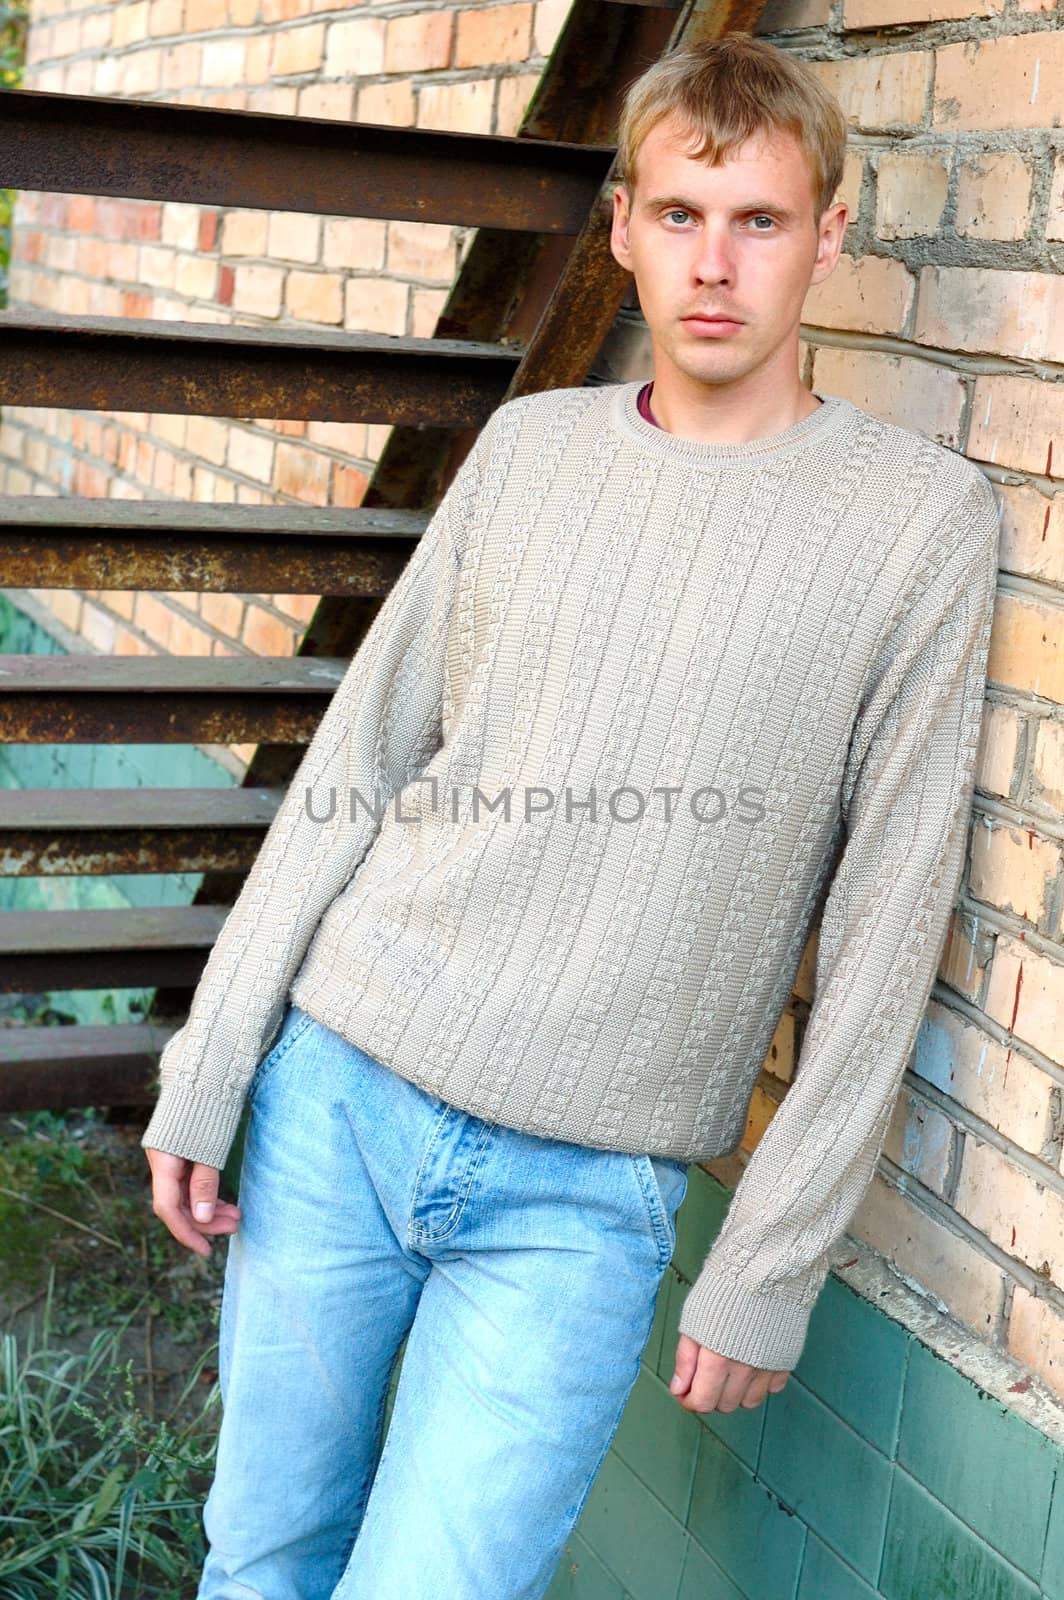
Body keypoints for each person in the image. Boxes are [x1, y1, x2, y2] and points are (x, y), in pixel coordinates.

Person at [142, 30, 1001, 1600]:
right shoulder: (529, 452)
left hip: (586, 1197)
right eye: (679, 215)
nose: (717, 265)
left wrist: (771, 1261)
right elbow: (360, 757)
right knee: (260, 1561)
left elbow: (890, 923)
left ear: (832, 233)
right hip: (341, 1092)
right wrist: (212, 1063)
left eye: (758, 219)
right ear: (621, 229)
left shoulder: (919, 526)